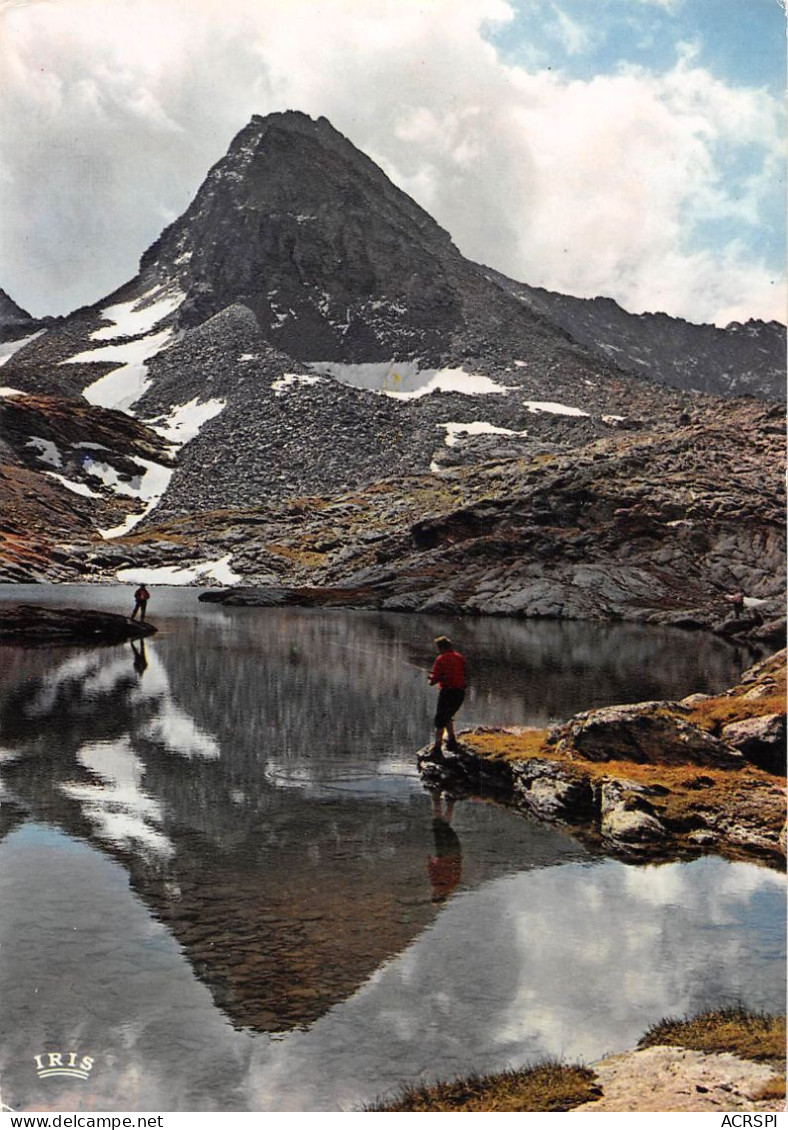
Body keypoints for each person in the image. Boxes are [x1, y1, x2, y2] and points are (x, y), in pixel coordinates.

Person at [428, 635, 466, 755]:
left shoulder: (441, 659)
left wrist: (431, 679)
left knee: (440, 720)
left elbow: (433, 680)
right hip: (460, 692)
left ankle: (437, 748)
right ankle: (452, 741)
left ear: (441, 647)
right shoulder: (459, 657)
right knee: (448, 715)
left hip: (447, 692)